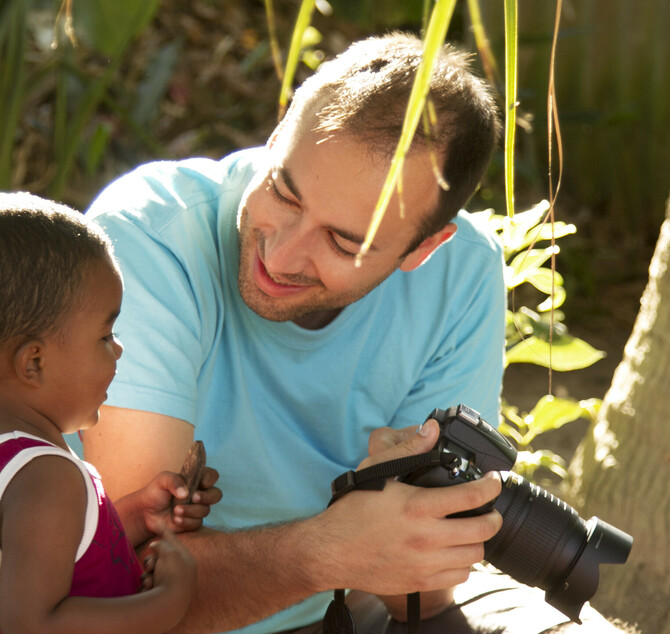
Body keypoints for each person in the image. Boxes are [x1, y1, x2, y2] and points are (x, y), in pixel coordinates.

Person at [79, 32, 622, 634]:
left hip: (350, 605)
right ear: (280, 128)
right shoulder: (148, 238)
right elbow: (132, 582)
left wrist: (411, 519)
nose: (282, 254)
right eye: (284, 192)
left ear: (423, 248)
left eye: (343, 241)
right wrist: (328, 549)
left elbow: (426, 594)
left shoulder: (462, 267)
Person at [0, 192, 221, 634]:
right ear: (34, 363)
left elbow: (49, 555)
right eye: (106, 334)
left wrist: (135, 517)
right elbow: (28, 622)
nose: (119, 349)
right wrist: (168, 601)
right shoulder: (48, 476)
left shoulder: (20, 465)